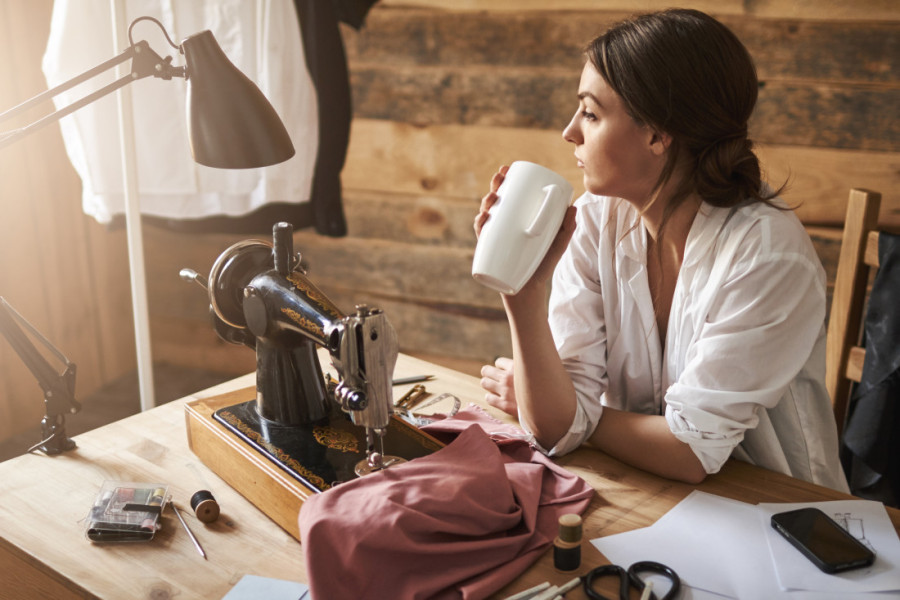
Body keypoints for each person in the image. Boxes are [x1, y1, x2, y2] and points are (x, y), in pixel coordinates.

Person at [474, 8, 848, 490]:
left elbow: (690, 451)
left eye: (590, 112)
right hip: (651, 491)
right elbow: (554, 428)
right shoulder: (593, 219)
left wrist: (577, 412)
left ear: (656, 133)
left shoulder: (768, 255)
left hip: (778, 511)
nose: (570, 131)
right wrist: (523, 294)